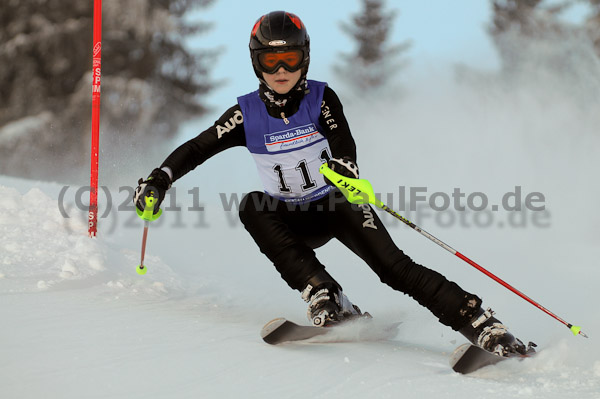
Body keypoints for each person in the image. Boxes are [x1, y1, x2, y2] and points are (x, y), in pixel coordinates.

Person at [134, 11, 526, 356]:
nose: (282, 70)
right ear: (258, 63)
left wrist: (346, 167)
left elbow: (342, 138)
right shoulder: (245, 114)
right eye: (272, 60)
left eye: (290, 58)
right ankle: (323, 291)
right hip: (290, 217)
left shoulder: (320, 98)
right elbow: (195, 148)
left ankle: (478, 322)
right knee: (253, 204)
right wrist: (159, 180)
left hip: (336, 203)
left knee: (394, 268)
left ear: (304, 58)